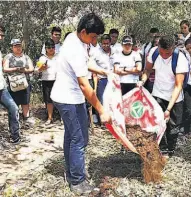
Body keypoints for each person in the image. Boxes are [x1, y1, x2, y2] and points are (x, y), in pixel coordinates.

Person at [50, 13, 111, 195]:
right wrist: (101, 110)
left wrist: (102, 71)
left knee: (71, 136)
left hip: (68, 96)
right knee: (79, 139)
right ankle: (77, 182)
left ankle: (72, 173)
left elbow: (86, 63)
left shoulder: (74, 38)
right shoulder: (74, 48)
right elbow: (85, 85)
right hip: (68, 98)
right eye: (93, 37)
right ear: (83, 31)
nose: (94, 41)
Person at [138, 34, 189, 156]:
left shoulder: (180, 59)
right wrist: (142, 81)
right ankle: (161, 149)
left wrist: (168, 109)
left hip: (174, 98)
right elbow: (147, 70)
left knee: (173, 128)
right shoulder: (154, 53)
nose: (164, 55)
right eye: (162, 52)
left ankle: (170, 150)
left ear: (173, 48)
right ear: (158, 46)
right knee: (157, 124)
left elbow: (178, 86)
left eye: (167, 53)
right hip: (158, 94)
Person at [3, 38, 34, 127]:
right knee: (13, 103)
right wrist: (16, 69)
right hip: (13, 84)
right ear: (12, 47)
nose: (18, 48)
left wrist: (24, 70)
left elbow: (31, 69)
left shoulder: (26, 57)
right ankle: (15, 121)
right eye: (16, 46)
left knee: (25, 102)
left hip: (24, 83)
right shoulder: (8, 57)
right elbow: (5, 69)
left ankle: (26, 119)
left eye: (19, 46)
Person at [0, 25, 21, 144]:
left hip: (2, 88)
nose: (1, 37)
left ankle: (15, 137)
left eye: (3, 35)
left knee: (13, 107)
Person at [35, 39, 57, 125]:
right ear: (45, 48)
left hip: (58, 81)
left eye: (53, 47)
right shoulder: (42, 58)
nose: (51, 49)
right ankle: (50, 118)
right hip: (46, 81)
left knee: (60, 99)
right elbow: (36, 71)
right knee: (48, 100)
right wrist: (41, 69)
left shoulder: (59, 56)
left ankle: (61, 118)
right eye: (49, 47)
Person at [91, 34, 113, 105]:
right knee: (103, 102)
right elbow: (93, 68)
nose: (106, 45)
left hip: (113, 80)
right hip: (102, 81)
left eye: (107, 43)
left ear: (110, 42)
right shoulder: (96, 53)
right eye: (104, 44)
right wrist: (95, 86)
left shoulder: (116, 51)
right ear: (101, 43)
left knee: (113, 101)